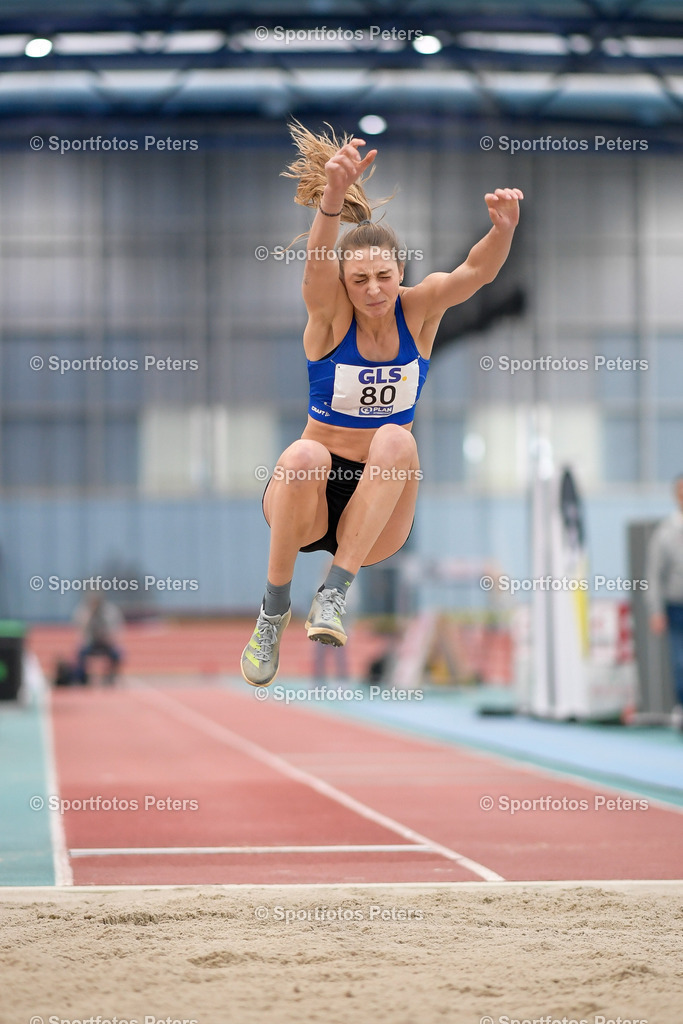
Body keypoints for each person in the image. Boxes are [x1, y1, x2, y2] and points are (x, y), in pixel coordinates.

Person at [241, 122, 523, 687]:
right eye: (361, 279)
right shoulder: (328, 320)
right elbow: (316, 264)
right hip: (309, 502)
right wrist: (328, 200)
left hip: (377, 513)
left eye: (384, 277)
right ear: (345, 284)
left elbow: (476, 272)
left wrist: (503, 231)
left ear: (400, 273)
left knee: (396, 439)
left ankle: (334, 594)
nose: (374, 290)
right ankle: (273, 612)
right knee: (304, 454)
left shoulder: (418, 312)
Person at [647, 474, 683, 725]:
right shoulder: (665, 532)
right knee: (679, 660)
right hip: (676, 605)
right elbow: (653, 574)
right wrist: (656, 609)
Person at [73, 592, 124, 685]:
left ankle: (111, 677)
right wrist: (88, 617)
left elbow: (116, 629)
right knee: (80, 654)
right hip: (91, 643)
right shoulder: (84, 611)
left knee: (118, 654)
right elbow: (81, 630)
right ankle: (82, 679)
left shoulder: (109, 611)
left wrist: (108, 637)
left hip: (106, 644)